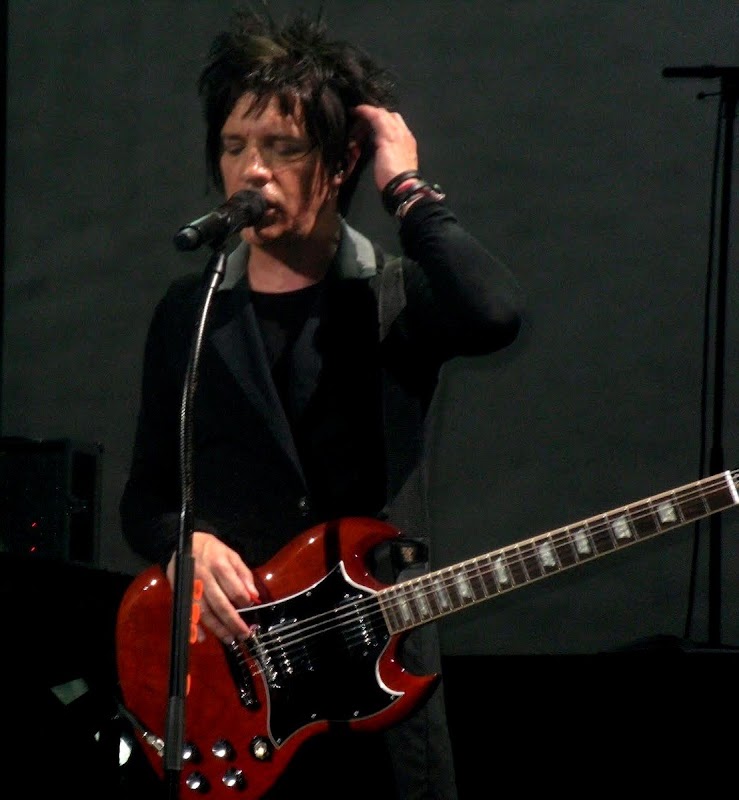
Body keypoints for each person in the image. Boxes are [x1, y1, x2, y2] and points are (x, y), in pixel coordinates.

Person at [119, 5, 524, 799]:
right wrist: (184, 542)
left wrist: (406, 189)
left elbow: (494, 313)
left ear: (339, 164)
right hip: (242, 699)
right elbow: (146, 496)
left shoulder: (392, 298)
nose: (252, 171)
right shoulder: (190, 311)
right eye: (234, 146)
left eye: (283, 148)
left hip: (380, 687)